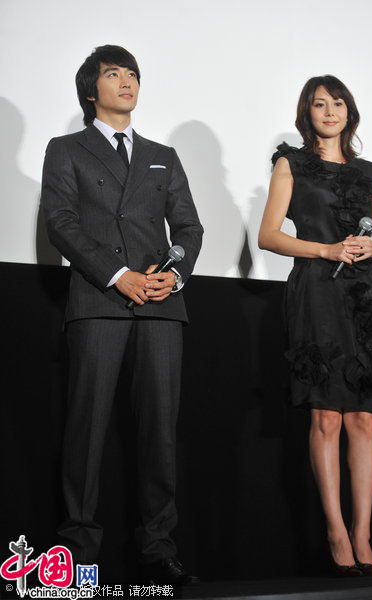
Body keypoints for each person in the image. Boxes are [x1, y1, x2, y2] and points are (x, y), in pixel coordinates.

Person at [41, 45, 203, 584]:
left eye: (133, 74)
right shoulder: (66, 148)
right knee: (85, 430)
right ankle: (76, 554)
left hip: (161, 305)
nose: (128, 81)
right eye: (115, 74)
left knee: (160, 432)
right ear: (92, 89)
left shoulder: (163, 154)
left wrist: (174, 274)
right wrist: (116, 275)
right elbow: (61, 222)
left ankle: (158, 548)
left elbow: (189, 229)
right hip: (99, 301)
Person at [258, 75, 372, 576]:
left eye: (337, 103)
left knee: (363, 417)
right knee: (327, 417)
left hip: (363, 298)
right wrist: (325, 248)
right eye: (320, 104)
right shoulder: (291, 163)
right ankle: (335, 532)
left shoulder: (368, 172)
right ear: (308, 112)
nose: (329, 111)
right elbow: (268, 235)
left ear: (349, 111)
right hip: (316, 292)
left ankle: (364, 536)